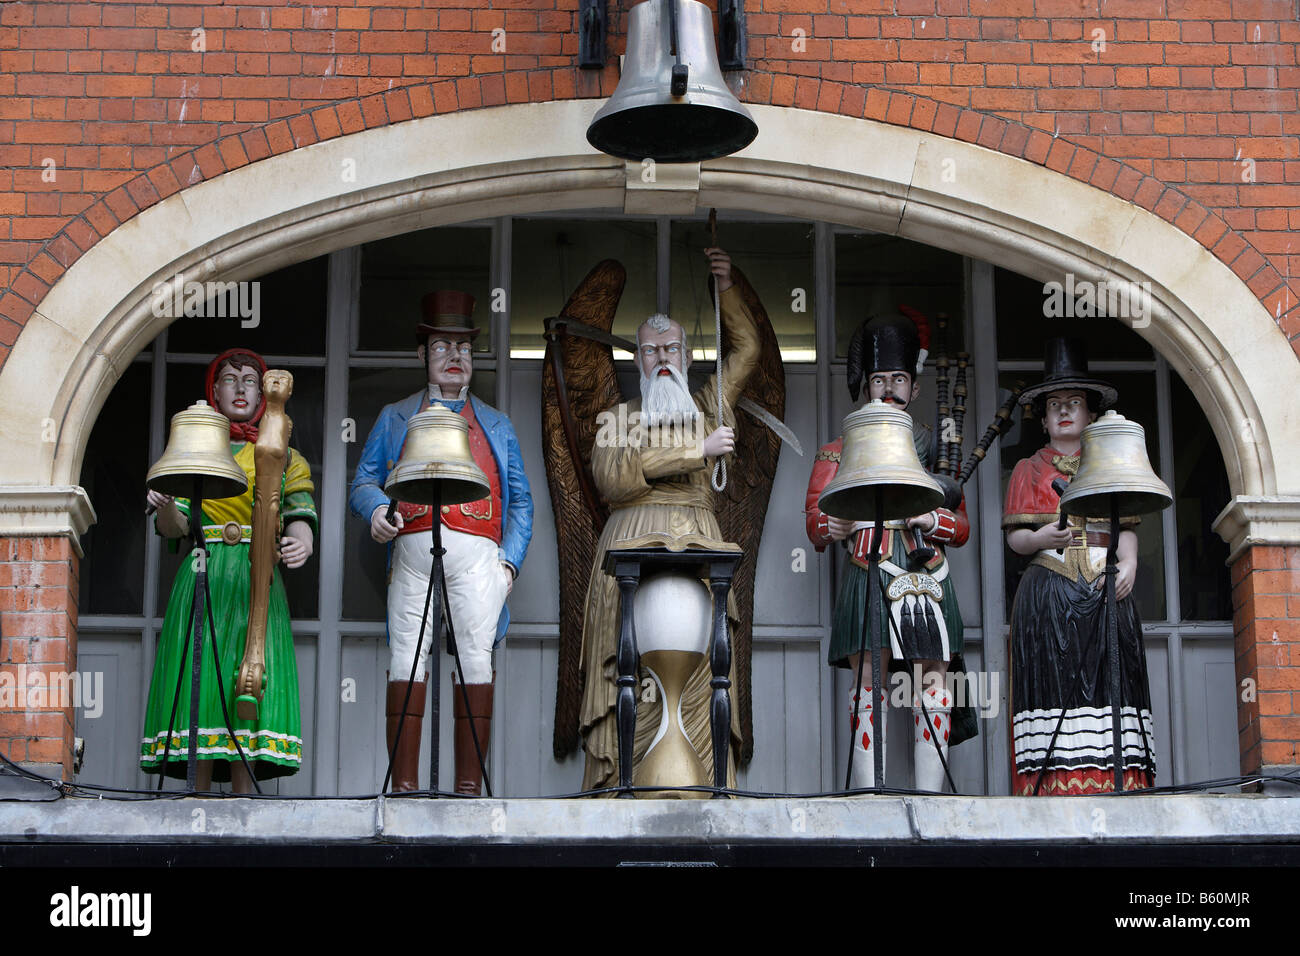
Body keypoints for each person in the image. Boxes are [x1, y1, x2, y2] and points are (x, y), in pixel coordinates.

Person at [578, 247, 755, 793]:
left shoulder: (708, 407)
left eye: (670, 348)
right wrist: (695, 452)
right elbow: (614, 478)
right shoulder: (617, 419)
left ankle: (702, 783)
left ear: (686, 354)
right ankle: (621, 785)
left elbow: (747, 350)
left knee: (703, 675)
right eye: (650, 350)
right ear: (636, 358)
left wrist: (725, 288)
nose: (661, 358)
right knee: (626, 667)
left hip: (700, 548)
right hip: (627, 547)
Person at [350, 291, 532, 794]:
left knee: (475, 659)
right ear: (423, 356)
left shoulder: (496, 424)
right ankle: (404, 785)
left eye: (464, 348)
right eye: (442, 348)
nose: (455, 357)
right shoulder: (395, 416)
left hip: (478, 558)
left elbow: (520, 501)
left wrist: (508, 565)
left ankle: (470, 787)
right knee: (407, 656)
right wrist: (377, 511)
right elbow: (364, 481)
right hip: (410, 552)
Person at [803, 310, 973, 791]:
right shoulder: (837, 450)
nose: (889, 389)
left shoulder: (935, 448)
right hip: (868, 565)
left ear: (914, 387)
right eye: (879, 380)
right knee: (867, 685)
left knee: (933, 683)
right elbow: (815, 523)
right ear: (867, 386)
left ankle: (930, 797)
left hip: (927, 571)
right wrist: (834, 523)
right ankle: (865, 792)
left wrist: (930, 518)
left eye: (899, 379)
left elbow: (960, 528)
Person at [140, 348, 317, 791]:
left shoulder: (285, 455)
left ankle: (243, 795)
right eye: (230, 379)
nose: (240, 388)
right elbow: (176, 525)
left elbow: (298, 513)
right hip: (205, 567)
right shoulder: (198, 447)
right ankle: (196, 789)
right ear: (213, 391)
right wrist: (164, 508)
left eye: (250, 380)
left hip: (258, 576)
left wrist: (302, 541)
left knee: (249, 676)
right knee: (202, 676)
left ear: (263, 392)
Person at [1003, 338, 1156, 795]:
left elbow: (1126, 521)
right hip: (1050, 589)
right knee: (1055, 680)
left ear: (1090, 413)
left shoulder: (1109, 461)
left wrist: (1128, 561)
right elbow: (1015, 539)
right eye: (1054, 406)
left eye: (1073, 404)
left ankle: (1116, 778)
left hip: (1105, 584)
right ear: (1043, 417)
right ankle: (1055, 781)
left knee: (1112, 681)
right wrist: (1040, 538)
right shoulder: (1028, 469)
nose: (1064, 412)